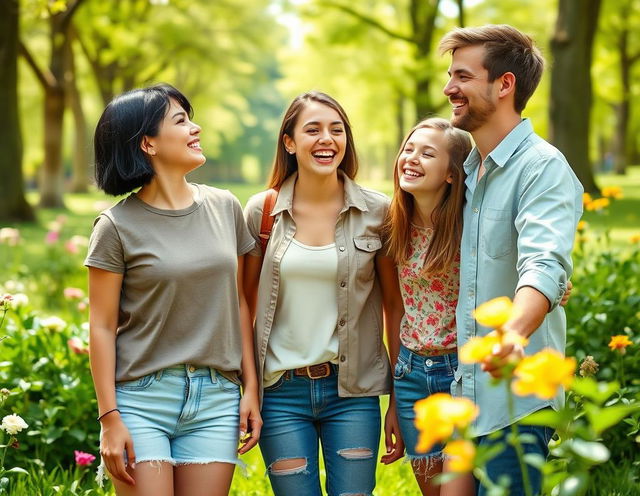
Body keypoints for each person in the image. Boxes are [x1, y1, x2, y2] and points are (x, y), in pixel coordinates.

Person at [85, 84, 261, 496]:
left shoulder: (225, 207)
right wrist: (109, 417)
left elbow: (239, 302)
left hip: (216, 398)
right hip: (141, 400)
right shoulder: (115, 226)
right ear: (147, 142)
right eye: (180, 121)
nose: (195, 128)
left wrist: (250, 387)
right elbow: (101, 326)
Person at [439, 25, 583, 495]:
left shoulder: (542, 168)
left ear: (504, 85)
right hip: (468, 393)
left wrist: (511, 334)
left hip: (516, 401)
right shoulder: (472, 170)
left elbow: (543, 264)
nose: (449, 89)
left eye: (462, 76)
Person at [242, 91, 405, 496]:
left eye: (337, 130)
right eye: (312, 129)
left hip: (351, 393)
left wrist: (399, 403)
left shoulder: (378, 212)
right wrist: (249, 389)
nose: (326, 139)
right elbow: (242, 305)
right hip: (280, 394)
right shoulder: (261, 213)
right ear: (289, 142)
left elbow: (394, 307)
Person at [384, 118, 475, 496]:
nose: (411, 158)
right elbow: (393, 307)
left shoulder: (471, 226)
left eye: (427, 153)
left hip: (461, 374)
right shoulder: (393, 226)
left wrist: (557, 286)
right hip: (411, 375)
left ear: (452, 174)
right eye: (409, 149)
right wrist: (393, 398)